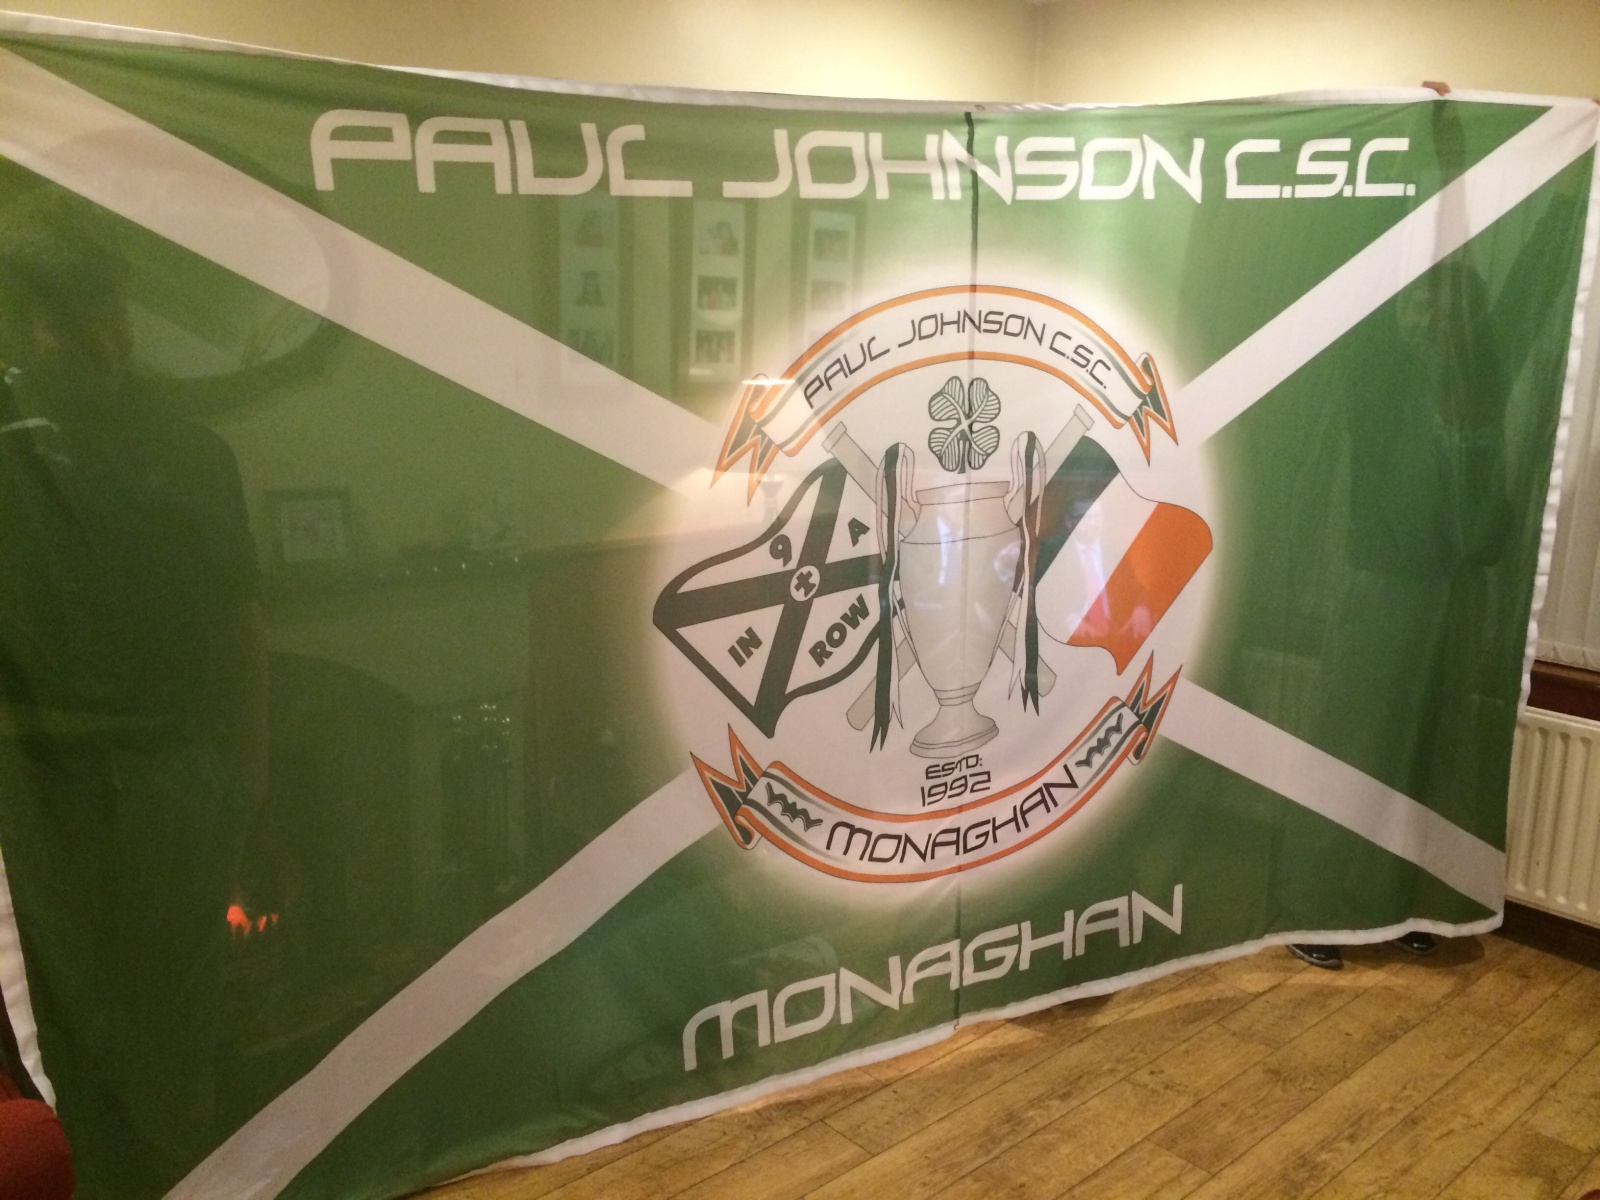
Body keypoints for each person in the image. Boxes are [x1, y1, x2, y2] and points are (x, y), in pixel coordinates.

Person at [0, 194, 265, 1197]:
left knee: (174, 1020)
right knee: (63, 1027)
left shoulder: (190, 453)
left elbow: (239, 630)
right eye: (61, 315)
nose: (96, 338)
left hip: (174, 771)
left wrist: (249, 783)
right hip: (36, 782)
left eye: (106, 308)